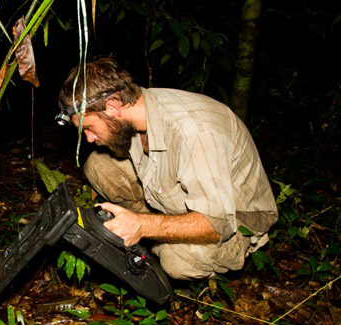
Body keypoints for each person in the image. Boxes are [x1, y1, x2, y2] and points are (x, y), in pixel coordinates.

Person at [56, 57, 278, 280]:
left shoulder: (196, 133)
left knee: (177, 259)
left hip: (234, 218)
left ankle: (156, 243)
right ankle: (154, 231)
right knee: (98, 164)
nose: (89, 138)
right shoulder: (140, 110)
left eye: (89, 128)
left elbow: (217, 224)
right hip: (185, 196)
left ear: (113, 107)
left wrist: (142, 225)